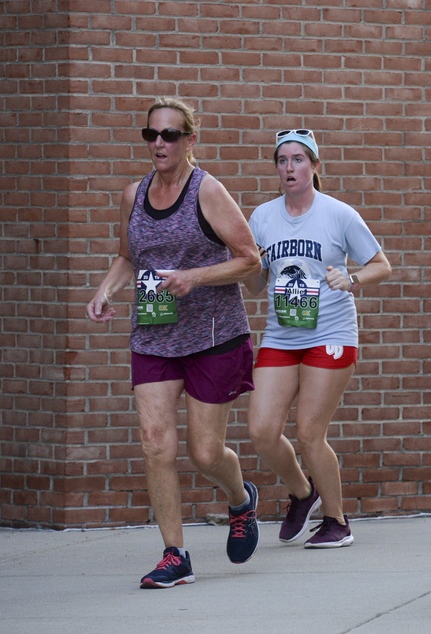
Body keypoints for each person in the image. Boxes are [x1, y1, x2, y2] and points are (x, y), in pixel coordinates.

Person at [86, 97, 262, 588]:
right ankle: (174, 553)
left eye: (169, 135)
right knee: (155, 443)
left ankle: (241, 500)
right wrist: (105, 289)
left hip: (212, 335)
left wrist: (195, 277)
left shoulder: (207, 191)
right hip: (154, 334)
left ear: (190, 140)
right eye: (151, 135)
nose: (159, 144)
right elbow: (127, 256)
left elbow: (250, 258)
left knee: (206, 453)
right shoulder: (133, 195)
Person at [246, 129, 392, 549]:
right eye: (282, 160)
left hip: (331, 332)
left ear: (314, 166)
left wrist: (352, 278)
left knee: (309, 431)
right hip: (281, 334)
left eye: (298, 160)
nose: (289, 168)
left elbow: (381, 265)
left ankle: (336, 520)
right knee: (261, 430)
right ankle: (302, 492)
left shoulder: (338, 214)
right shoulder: (263, 217)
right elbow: (256, 285)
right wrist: (246, 265)